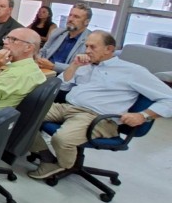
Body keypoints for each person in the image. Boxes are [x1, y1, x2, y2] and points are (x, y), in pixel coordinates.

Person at [28, 31, 172, 179]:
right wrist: (74, 65)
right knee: (24, 114)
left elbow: (169, 99)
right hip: (68, 107)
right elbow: (63, 86)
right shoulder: (85, 65)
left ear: (109, 49)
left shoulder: (132, 71)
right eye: (86, 46)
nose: (87, 51)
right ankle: (46, 157)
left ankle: (63, 164)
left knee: (62, 139)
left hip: (97, 117)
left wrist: (143, 115)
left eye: (93, 47)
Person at [0, 28, 46, 109]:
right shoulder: (33, 68)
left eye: (13, 39)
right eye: (6, 38)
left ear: (28, 47)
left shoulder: (14, 75)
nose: (5, 42)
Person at [37, 3, 92, 74]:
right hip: (43, 71)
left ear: (86, 22)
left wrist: (53, 66)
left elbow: (82, 69)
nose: (70, 19)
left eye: (76, 17)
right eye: (70, 15)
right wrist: (39, 59)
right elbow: (43, 51)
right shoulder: (57, 32)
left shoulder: (90, 41)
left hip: (63, 77)